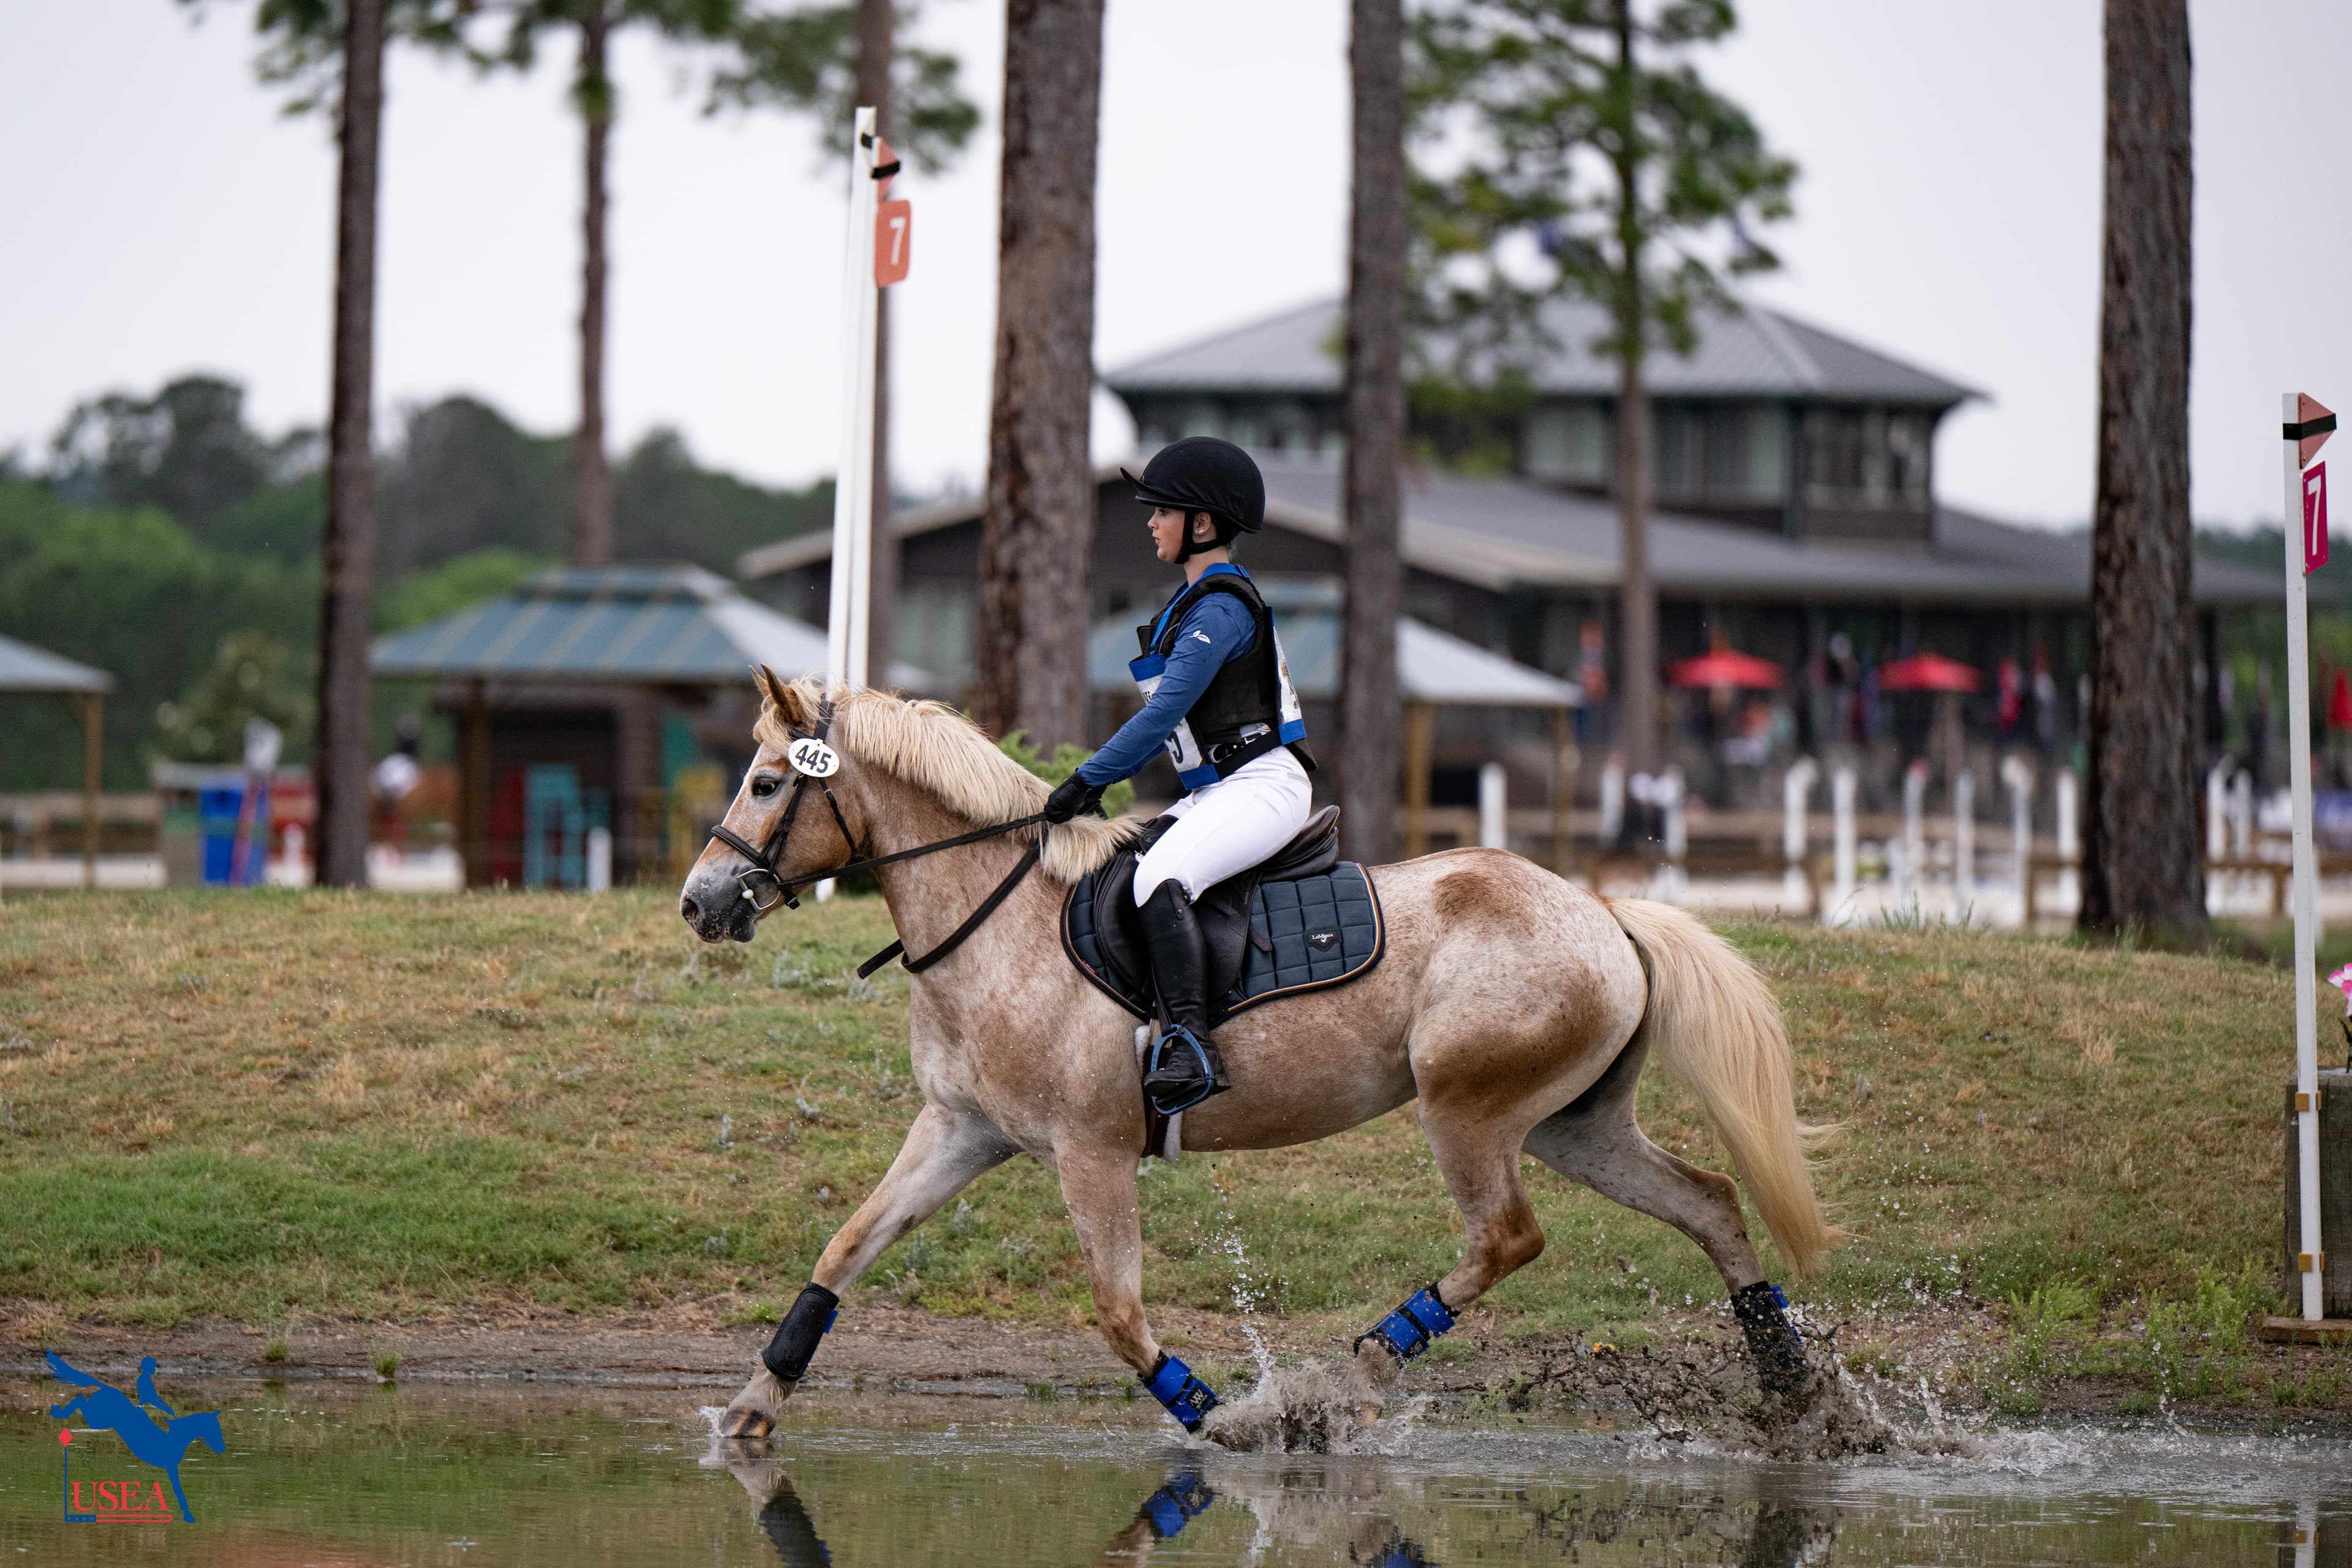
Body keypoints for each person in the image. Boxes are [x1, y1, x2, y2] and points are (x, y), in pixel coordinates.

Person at [1042, 437, 1314, 1115]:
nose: (1151, 522)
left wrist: (1088, 778)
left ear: (1202, 523)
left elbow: (1165, 711)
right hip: (1219, 788)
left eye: (1162, 511)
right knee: (1125, 865)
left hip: (1265, 784)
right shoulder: (1189, 604)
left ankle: (1192, 1046)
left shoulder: (1219, 608)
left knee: (1160, 877)